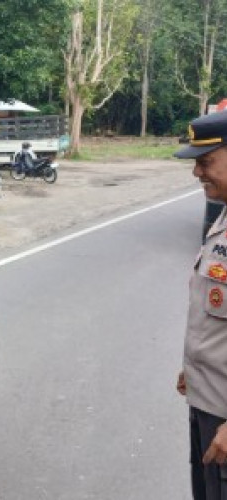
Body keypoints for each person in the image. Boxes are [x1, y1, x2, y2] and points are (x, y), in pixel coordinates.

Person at [175, 110, 227, 500]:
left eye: (205, 161)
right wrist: (192, 367)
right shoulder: (223, 215)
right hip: (207, 400)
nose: (197, 173)